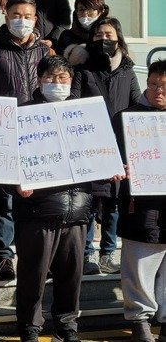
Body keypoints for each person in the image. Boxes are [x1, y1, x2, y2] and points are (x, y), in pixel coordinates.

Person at [14, 55, 92, 342]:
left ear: (71, 83)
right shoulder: (25, 114)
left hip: (78, 209)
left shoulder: (85, 115)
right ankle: (30, 329)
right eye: (50, 78)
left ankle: (67, 327)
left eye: (63, 79)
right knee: (32, 278)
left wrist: (111, 168)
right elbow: (10, 162)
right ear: (39, 80)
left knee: (71, 278)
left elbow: (99, 155)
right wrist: (17, 185)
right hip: (38, 211)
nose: (57, 83)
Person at [0, 0, 54, 280]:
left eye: (27, 15)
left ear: (35, 20)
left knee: (37, 195)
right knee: (5, 199)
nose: (21, 20)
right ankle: (3, 255)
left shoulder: (46, 53)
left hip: (38, 131)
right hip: (4, 130)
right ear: (6, 15)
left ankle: (37, 256)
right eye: (15, 14)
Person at [70, 17, 141, 276]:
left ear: (118, 38)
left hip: (120, 145)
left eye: (109, 35)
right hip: (90, 145)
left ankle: (108, 252)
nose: (103, 39)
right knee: (90, 201)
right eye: (98, 35)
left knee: (113, 203)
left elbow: (136, 104)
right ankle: (87, 253)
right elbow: (73, 103)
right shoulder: (83, 70)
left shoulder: (127, 71)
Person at [112, 60, 166, 342]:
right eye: (153, 85)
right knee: (139, 264)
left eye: (165, 87)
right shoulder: (126, 118)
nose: (158, 91)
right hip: (140, 204)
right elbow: (109, 159)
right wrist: (121, 167)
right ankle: (140, 320)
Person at [57, 0, 109, 66]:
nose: (85, 14)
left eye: (90, 9)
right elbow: (58, 64)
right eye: (81, 9)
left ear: (101, 11)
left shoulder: (106, 35)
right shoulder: (66, 36)